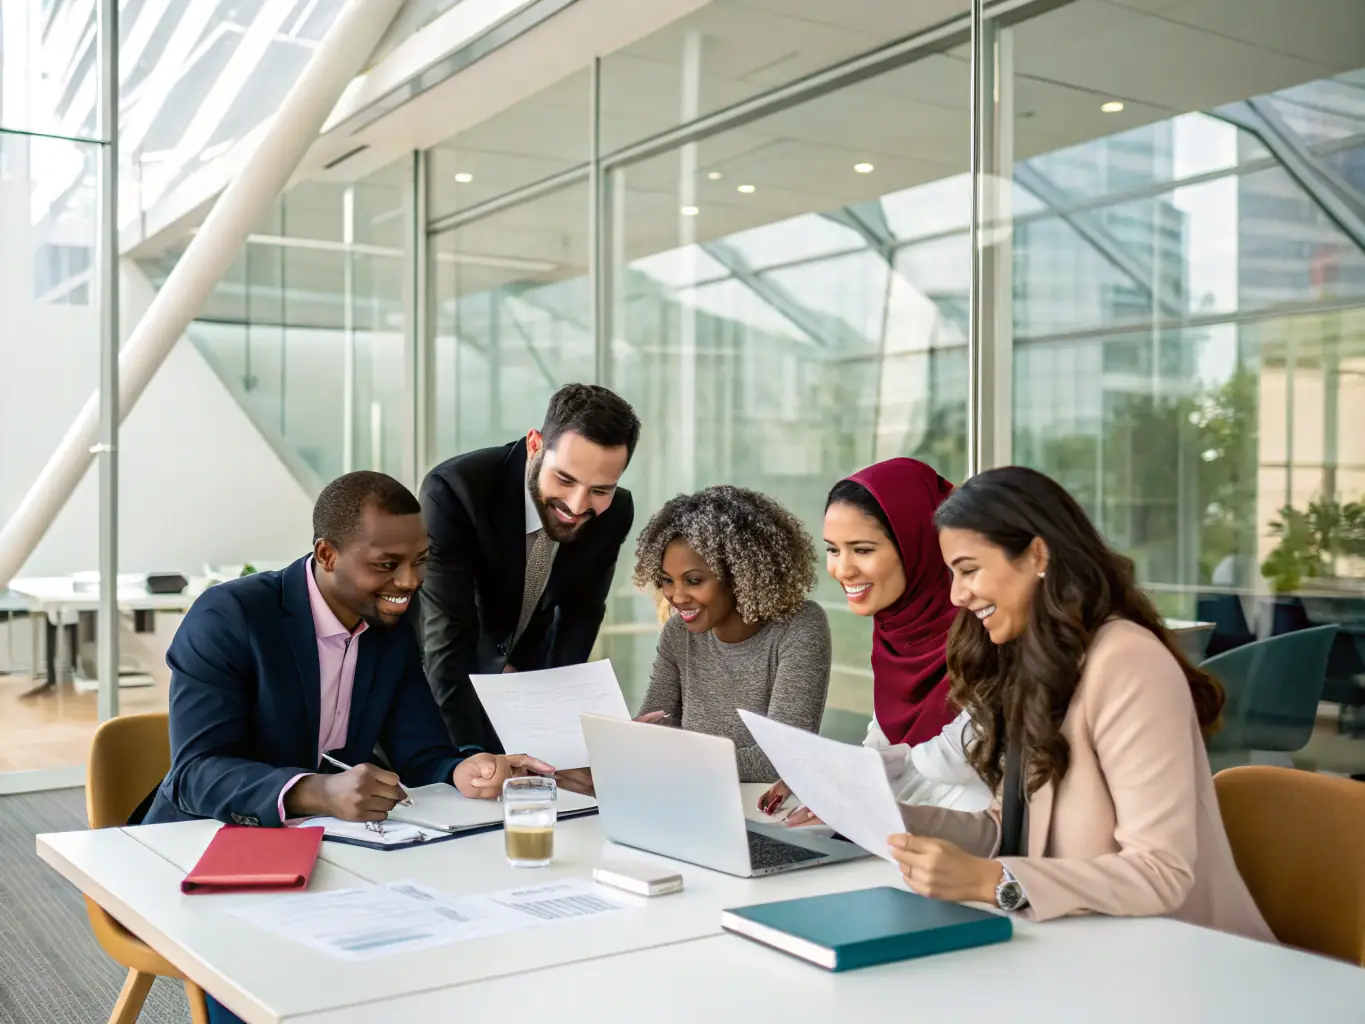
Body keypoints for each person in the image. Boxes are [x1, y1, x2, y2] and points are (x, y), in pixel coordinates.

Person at [885, 466, 1274, 942]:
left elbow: (1161, 871)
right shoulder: (1033, 660)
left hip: (1180, 958)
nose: (955, 595)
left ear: (1037, 554)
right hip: (1082, 949)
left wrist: (995, 883)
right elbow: (1006, 833)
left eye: (968, 570)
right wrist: (886, 815)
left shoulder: (1127, 661)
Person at [140, 471, 550, 830]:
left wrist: (463, 769)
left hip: (328, 844)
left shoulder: (390, 626)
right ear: (326, 554)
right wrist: (318, 791)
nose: (410, 582)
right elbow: (195, 774)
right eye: (387, 565)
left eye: (420, 560)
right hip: (198, 840)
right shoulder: (230, 617)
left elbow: (420, 750)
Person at [760, 458, 992, 819]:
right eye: (834, 550)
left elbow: (952, 761)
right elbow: (883, 740)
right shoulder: (897, 631)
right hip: (901, 835)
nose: (842, 569)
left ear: (919, 544)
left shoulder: (991, 631)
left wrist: (844, 782)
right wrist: (829, 787)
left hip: (976, 844)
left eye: (863, 550)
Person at [418, 384, 639, 759]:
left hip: (520, 689)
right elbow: (447, 635)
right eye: (565, 480)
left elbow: (580, 617)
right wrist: (469, 757)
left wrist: (554, 733)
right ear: (535, 444)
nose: (576, 505)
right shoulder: (455, 490)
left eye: (600, 490)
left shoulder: (614, 512)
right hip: (435, 693)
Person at [633, 485, 831, 783]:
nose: (676, 596)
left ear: (740, 574)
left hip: (759, 820)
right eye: (666, 580)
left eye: (694, 580)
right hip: (688, 805)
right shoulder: (679, 633)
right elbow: (650, 734)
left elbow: (781, 757)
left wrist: (674, 760)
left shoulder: (800, 627)